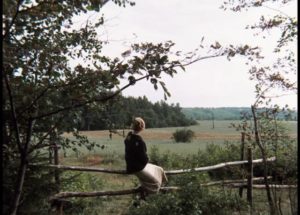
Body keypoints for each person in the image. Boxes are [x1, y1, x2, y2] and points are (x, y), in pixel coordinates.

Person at [124, 117, 167, 198]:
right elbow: (143, 157)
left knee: (159, 169)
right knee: (155, 183)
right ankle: (148, 194)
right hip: (138, 167)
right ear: (142, 128)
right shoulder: (139, 141)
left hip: (132, 165)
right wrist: (147, 160)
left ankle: (160, 188)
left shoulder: (129, 136)